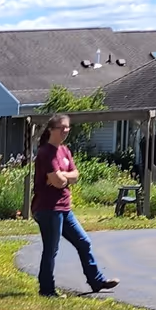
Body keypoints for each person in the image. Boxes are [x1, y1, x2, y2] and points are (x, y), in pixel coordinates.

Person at [30, 114, 117, 297]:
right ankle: (46, 289)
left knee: (83, 241)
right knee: (51, 249)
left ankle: (96, 281)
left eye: (67, 127)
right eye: (62, 128)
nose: (65, 131)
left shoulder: (65, 151)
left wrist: (64, 175)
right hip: (48, 208)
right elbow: (57, 181)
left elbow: (74, 176)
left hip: (64, 207)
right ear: (51, 130)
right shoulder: (46, 152)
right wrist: (63, 177)